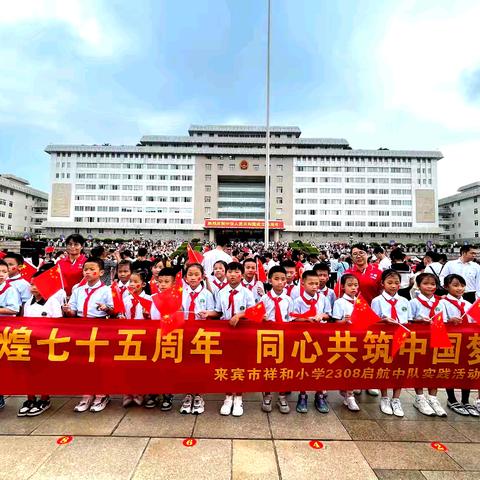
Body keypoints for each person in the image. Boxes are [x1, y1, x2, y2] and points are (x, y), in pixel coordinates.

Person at [62, 257, 114, 413]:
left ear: (101, 272)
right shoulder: (78, 289)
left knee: (99, 363)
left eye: (92, 269)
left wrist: (106, 308)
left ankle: (101, 394)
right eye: (86, 269)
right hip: (81, 327)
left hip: (99, 327)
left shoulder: (106, 290)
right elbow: (73, 311)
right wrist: (68, 311)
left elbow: (114, 311)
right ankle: (87, 394)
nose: (88, 272)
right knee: (83, 362)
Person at [206, 261, 255, 417]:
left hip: (242, 332)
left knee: (240, 365)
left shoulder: (247, 292)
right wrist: (208, 314)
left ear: (241, 275)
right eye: (230, 272)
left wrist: (239, 315)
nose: (232, 275)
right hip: (227, 333)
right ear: (225, 274)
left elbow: (253, 312)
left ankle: (238, 397)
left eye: (236, 272)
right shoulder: (221, 292)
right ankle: (228, 397)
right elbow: (219, 312)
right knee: (226, 365)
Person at [17, 269, 63, 417]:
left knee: (44, 373)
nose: (33, 287)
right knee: (28, 373)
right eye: (31, 284)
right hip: (30, 343)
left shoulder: (52, 302)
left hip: (45, 343)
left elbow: (58, 324)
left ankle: (44, 398)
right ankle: (30, 399)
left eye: (37, 284)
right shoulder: (27, 304)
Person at [371, 269, 411, 417]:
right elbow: (373, 321)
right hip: (385, 337)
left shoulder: (405, 301)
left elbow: (408, 320)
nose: (393, 286)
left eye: (396, 283)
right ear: (383, 284)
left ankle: (396, 398)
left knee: (400, 368)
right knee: (385, 367)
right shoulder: (377, 301)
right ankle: (384, 397)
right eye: (390, 283)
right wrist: (383, 320)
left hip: (401, 336)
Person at [409, 272, 447, 417]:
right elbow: (409, 321)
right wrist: (418, 320)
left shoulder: (442, 302)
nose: (430, 287)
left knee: (435, 367)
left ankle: (433, 397)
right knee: (419, 367)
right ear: (418, 286)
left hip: (438, 338)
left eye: (433, 284)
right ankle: (419, 397)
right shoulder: (413, 302)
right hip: (420, 340)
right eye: (426, 283)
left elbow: (446, 319)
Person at [293, 270, 331, 413]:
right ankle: (302, 395)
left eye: (317, 283)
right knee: (304, 367)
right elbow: (294, 317)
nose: (315, 286)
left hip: (320, 336)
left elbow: (328, 314)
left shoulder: (323, 298)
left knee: (320, 366)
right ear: (303, 284)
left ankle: (319, 395)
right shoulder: (297, 301)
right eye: (311, 283)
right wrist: (306, 318)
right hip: (304, 337)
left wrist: (321, 315)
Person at [179, 263, 214, 415]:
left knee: (199, 364)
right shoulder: (180, 292)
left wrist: (208, 314)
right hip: (184, 333)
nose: (193, 278)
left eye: (196, 274)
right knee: (185, 364)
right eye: (190, 275)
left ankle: (199, 395)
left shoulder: (207, 294)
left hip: (201, 334)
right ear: (185, 278)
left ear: (202, 276)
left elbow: (215, 312)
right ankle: (187, 394)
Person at [442, 274, 479, 416]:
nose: (460, 288)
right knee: (450, 369)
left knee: (466, 370)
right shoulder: (443, 303)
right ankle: (451, 398)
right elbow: (438, 321)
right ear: (446, 287)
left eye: (462, 285)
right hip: (451, 341)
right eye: (455, 285)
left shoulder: (469, 305)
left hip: (467, 341)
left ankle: (465, 400)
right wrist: (448, 320)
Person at [259, 265, 293, 414]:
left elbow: (290, 318)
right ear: (270, 280)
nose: (280, 282)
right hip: (268, 336)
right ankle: (267, 395)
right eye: (276, 279)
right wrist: (262, 318)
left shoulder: (288, 299)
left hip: (284, 336)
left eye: (283, 279)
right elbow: (258, 316)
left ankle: (282, 395)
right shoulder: (264, 298)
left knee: (283, 367)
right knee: (268, 366)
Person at [332, 274, 361, 411]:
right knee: (346, 366)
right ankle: (348, 394)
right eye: (350, 285)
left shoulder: (360, 302)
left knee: (355, 367)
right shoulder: (339, 303)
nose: (353, 288)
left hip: (358, 339)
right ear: (343, 287)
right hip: (344, 340)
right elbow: (336, 322)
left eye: (355, 285)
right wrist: (345, 320)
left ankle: (349, 393)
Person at [149, 267, 176, 411]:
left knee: (167, 367)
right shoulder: (153, 298)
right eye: (160, 282)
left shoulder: (177, 299)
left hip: (170, 337)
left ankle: (167, 394)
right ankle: (153, 392)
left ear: (173, 284)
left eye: (167, 282)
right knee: (155, 366)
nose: (163, 284)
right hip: (155, 336)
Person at [0, 258, 21, 410]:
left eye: (4, 272)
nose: (1, 275)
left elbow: (14, 309)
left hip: (4, 331)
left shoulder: (10, 289)